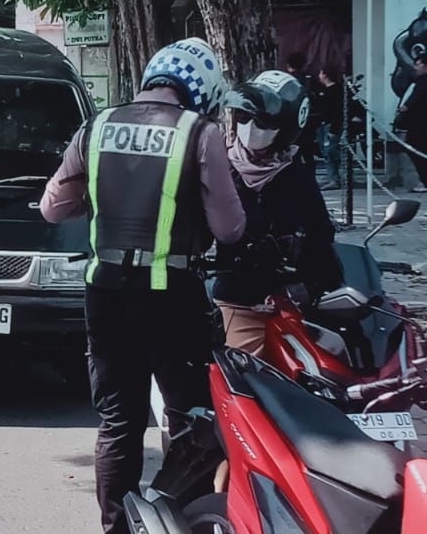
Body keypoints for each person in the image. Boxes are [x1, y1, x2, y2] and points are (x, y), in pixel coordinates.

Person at [40, 38, 246, 534]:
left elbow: (52, 207)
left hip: (106, 295)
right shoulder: (201, 132)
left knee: (119, 423)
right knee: (190, 421)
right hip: (172, 299)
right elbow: (230, 228)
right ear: (199, 91)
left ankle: (118, 528)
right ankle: (181, 520)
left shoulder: (97, 127)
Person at [212, 71, 344, 354]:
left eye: (261, 122)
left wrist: (302, 259)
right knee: (243, 376)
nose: (249, 127)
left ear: (285, 129)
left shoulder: (295, 174)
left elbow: (321, 232)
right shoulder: (219, 166)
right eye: (243, 117)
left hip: (292, 303)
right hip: (239, 302)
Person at [395, 51, 427, 193]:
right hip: (418, 124)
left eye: (418, 64)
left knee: (420, 151)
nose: (416, 67)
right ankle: (425, 180)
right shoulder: (422, 81)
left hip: (422, 125)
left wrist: (405, 107)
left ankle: (426, 181)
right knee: (416, 150)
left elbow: (416, 98)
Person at [311, 66, 347, 190]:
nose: (319, 76)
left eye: (321, 73)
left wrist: (334, 129)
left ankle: (334, 178)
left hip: (331, 125)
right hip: (324, 124)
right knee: (327, 152)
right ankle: (333, 176)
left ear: (325, 75)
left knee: (330, 151)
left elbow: (337, 112)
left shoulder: (335, 91)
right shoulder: (325, 91)